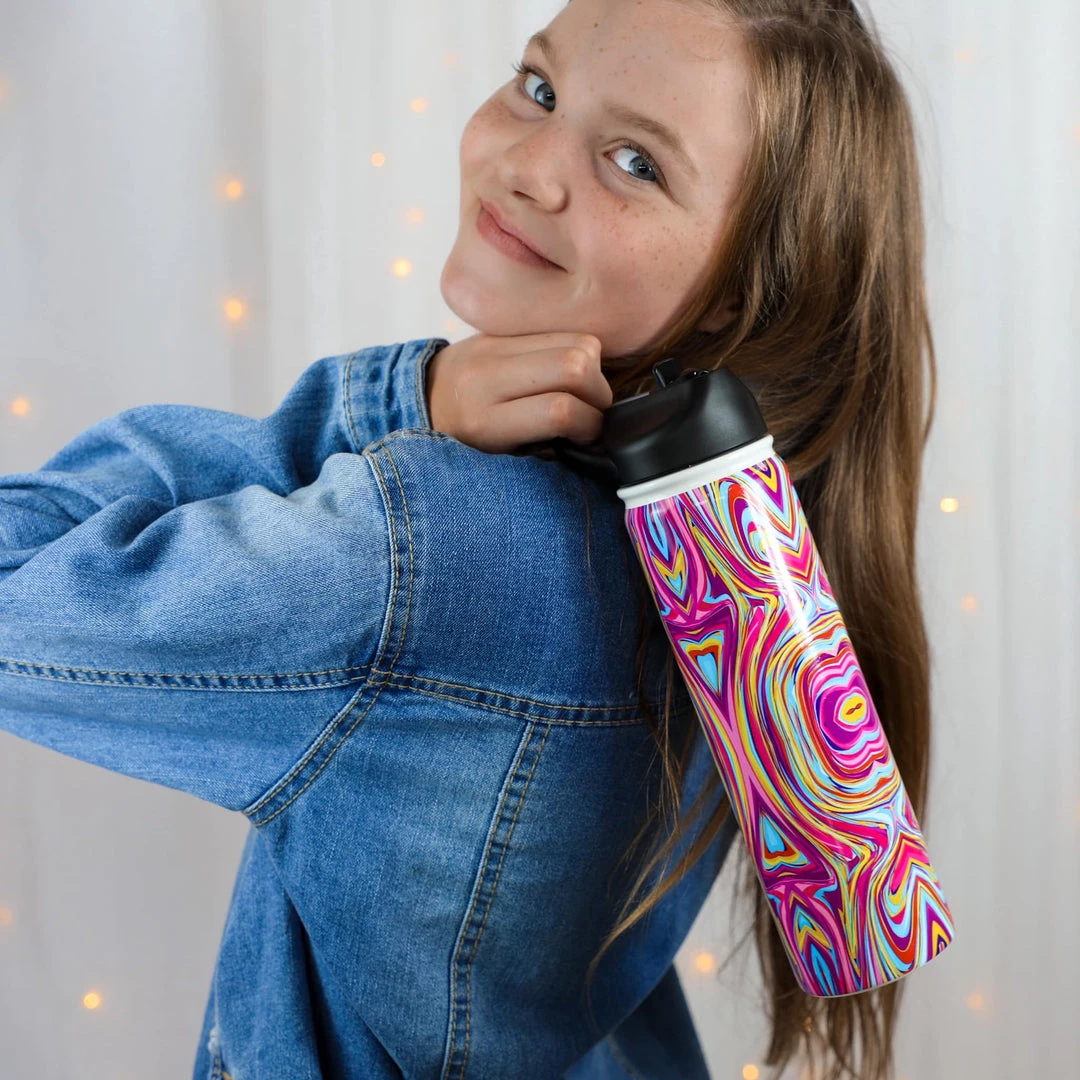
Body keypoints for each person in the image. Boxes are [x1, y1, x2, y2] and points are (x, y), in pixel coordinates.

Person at [0, 0, 937, 1077]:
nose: (529, 167)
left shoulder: (431, 544)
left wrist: (387, 405)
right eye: (540, 88)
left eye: (636, 162)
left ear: (738, 297)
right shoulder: (747, 559)